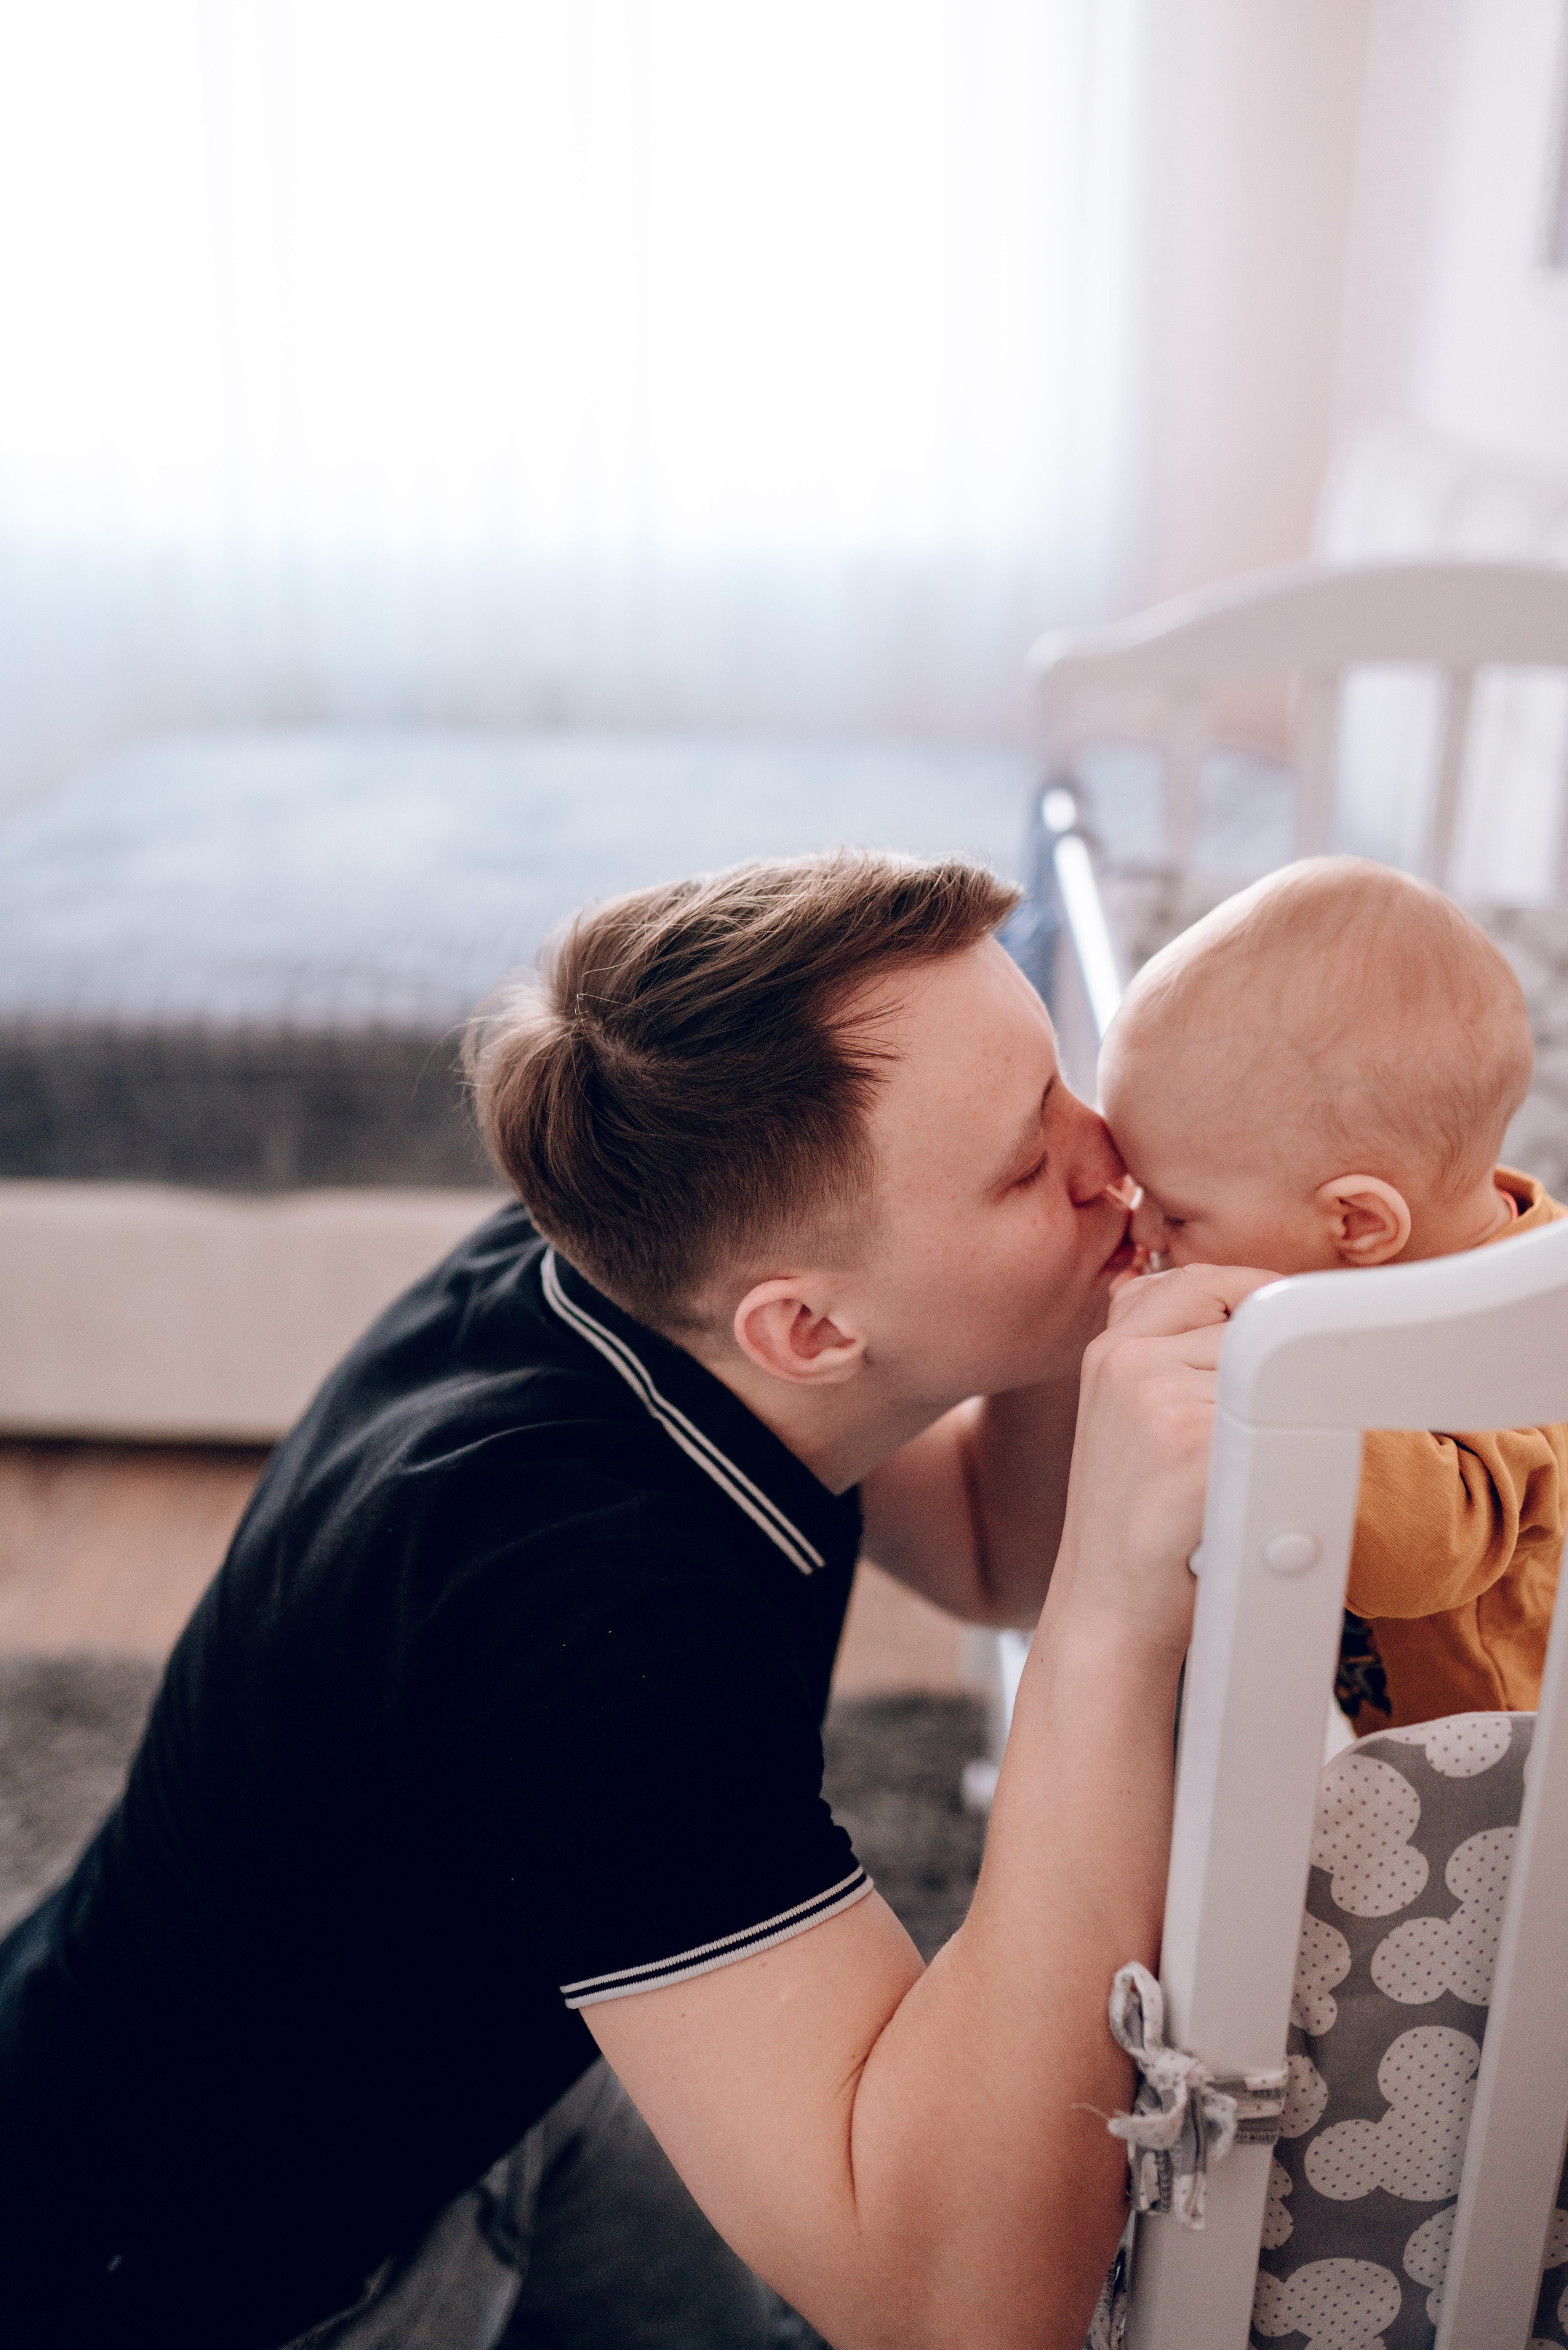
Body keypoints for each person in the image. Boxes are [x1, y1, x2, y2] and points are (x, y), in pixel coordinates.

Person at [0, 851, 1256, 2350]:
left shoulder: (620, 1263)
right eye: (1020, 1161)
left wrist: (1108, 1260)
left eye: (1063, 1082)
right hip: (220, 2272)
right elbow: (952, 2310)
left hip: (465, 2049)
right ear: (805, 1325)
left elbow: (991, 1539)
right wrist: (1109, 1625)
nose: (1108, 1151)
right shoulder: (597, 1625)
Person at [1099, 854, 1568, 1736]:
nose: (1144, 1230)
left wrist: (1260, 1361)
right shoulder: (1395, 1262)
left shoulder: (1529, 1333)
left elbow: (1428, 1553)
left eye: (1177, 1209)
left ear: (1355, 1224)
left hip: (1519, 1780)